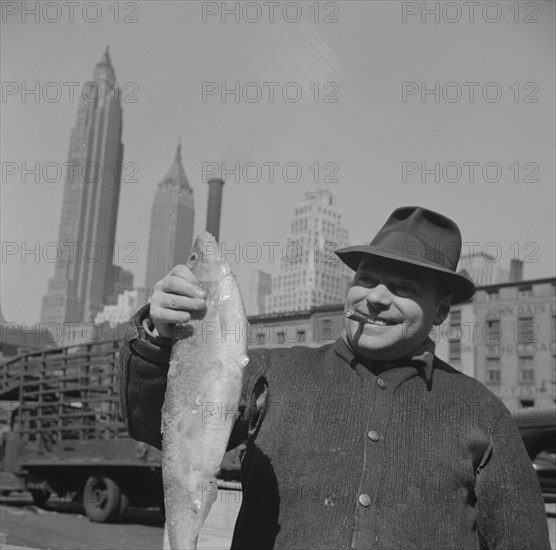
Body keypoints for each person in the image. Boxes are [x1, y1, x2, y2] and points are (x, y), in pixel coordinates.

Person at [120, 206, 550, 549]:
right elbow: (155, 423)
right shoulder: (272, 373)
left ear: (440, 312)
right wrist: (158, 338)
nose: (376, 298)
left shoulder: (482, 415)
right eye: (366, 279)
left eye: (404, 288)